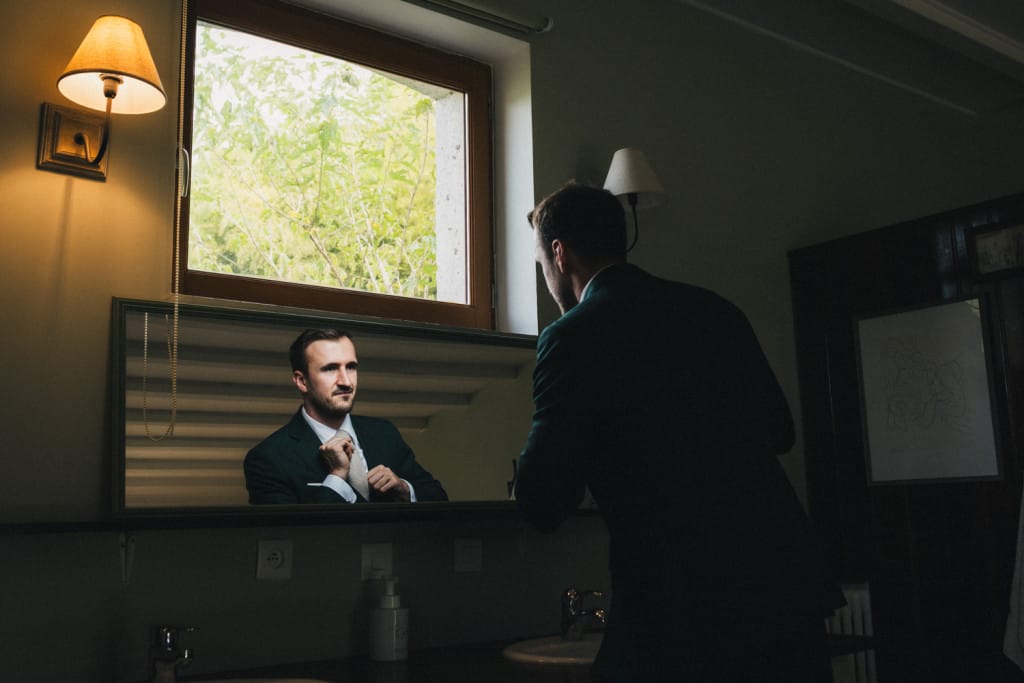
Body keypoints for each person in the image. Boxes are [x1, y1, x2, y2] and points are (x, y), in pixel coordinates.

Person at [514, 183, 843, 682]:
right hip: (783, 588)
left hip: (678, 607)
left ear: (559, 254)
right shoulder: (715, 309)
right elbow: (780, 431)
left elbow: (543, 501)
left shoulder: (571, 336)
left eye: (541, 264)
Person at [244, 328, 447, 504]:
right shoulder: (268, 458)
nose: (346, 382)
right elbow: (290, 534)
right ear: (302, 381)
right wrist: (336, 478)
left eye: (351, 367)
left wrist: (403, 488)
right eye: (330, 369)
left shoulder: (384, 433)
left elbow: (439, 500)